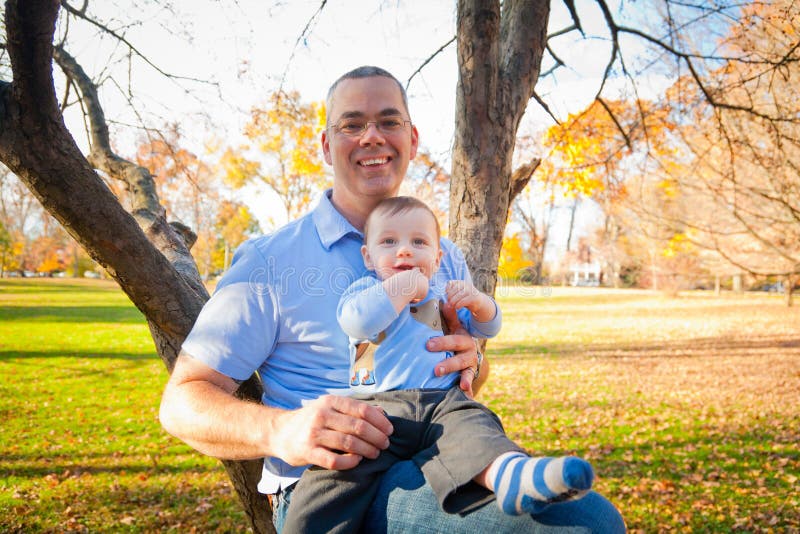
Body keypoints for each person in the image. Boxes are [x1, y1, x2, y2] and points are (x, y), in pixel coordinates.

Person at [159, 65, 626, 533]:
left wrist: (471, 363)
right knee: (580, 527)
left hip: (432, 449)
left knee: (587, 518)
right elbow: (182, 403)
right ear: (326, 145)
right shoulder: (269, 261)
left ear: (413, 139)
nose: (371, 137)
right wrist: (281, 431)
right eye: (351, 124)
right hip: (332, 481)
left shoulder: (443, 255)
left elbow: (464, 382)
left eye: (388, 121)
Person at [282, 196, 595, 533]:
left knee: (476, 427)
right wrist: (401, 286)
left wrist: (479, 303)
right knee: (337, 473)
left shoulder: (441, 295)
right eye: (389, 242)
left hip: (442, 405)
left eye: (418, 242)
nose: (404, 251)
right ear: (368, 257)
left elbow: (486, 329)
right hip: (379, 412)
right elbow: (356, 322)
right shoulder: (366, 290)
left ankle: (511, 477)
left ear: (437, 257)